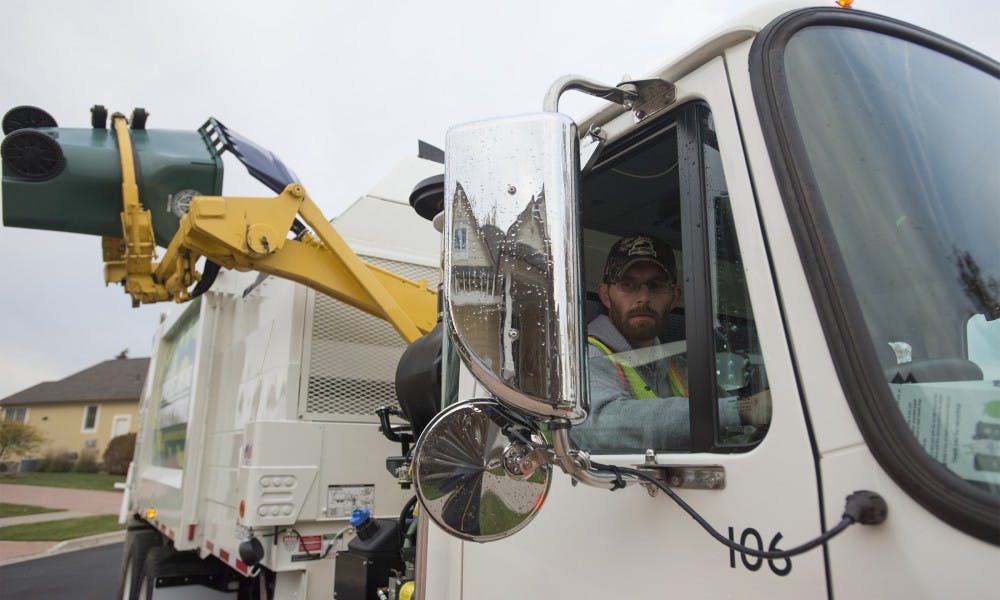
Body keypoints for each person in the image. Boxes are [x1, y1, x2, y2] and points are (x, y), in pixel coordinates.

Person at [571, 234, 769, 453]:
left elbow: (734, 432)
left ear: (674, 297)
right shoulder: (584, 359)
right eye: (628, 285)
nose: (644, 297)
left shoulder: (680, 367)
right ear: (605, 295)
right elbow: (599, 427)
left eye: (656, 286)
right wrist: (744, 410)